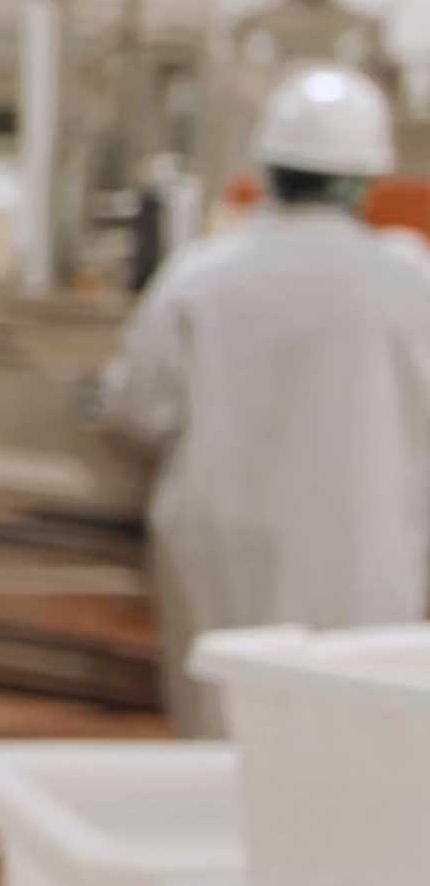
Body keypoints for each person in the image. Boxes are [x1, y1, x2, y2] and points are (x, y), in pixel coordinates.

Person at [101, 62, 430, 736]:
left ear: (268, 168)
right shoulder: (407, 277)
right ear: (367, 179)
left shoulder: (201, 273)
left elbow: (136, 410)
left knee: (225, 733)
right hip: (366, 544)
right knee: (354, 736)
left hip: (222, 544)